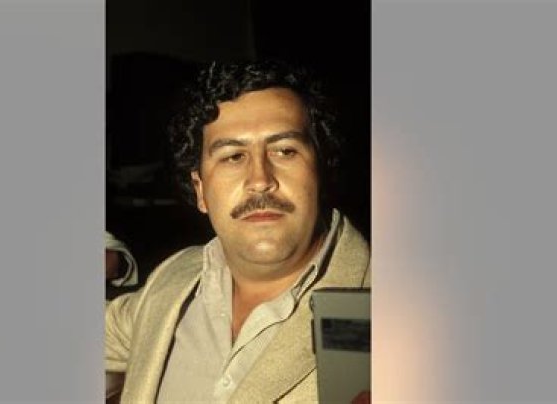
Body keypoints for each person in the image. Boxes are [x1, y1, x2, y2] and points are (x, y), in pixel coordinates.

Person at [105, 60, 371, 403]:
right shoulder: (173, 279)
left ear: (319, 174)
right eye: (233, 156)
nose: (260, 179)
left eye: (285, 151)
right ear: (201, 191)